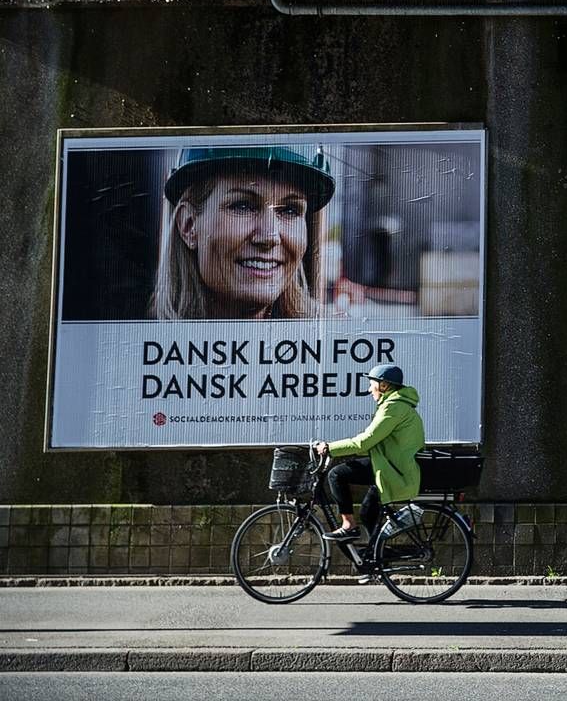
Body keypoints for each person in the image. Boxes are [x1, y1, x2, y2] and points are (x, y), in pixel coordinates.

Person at [152, 145, 334, 320]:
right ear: (189, 225)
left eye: (290, 210)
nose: (269, 236)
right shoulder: (136, 344)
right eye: (243, 206)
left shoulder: (333, 344)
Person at [313, 363, 424, 544]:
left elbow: (364, 441)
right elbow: (370, 445)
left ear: (384, 386)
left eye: (372, 384)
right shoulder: (398, 405)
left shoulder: (393, 408)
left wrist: (329, 448)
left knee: (336, 474)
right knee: (367, 513)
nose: (369, 389)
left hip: (392, 469)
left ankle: (348, 525)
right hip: (390, 465)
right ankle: (378, 558)